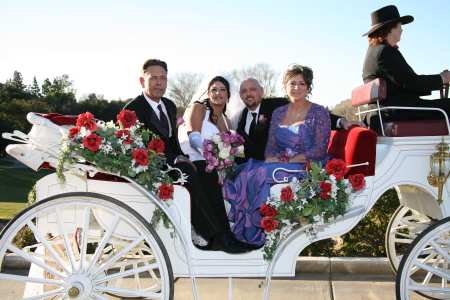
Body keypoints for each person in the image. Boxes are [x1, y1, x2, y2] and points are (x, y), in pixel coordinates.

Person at [123, 59, 251, 253]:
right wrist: (177, 159)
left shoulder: (168, 105)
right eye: (153, 78)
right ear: (143, 81)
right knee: (187, 171)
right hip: (150, 165)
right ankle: (215, 235)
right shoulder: (133, 110)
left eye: (163, 78)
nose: (159, 83)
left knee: (207, 173)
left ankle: (225, 232)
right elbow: (137, 148)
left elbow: (172, 142)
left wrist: (185, 157)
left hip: (174, 159)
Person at [223, 65, 332, 247]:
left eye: (301, 83)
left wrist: (288, 160)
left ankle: (258, 228)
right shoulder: (279, 112)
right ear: (285, 87)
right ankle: (243, 228)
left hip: (307, 164)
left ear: (308, 87)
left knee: (263, 172)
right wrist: (270, 157)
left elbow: (320, 149)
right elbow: (271, 145)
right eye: (292, 83)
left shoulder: (319, 112)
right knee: (246, 171)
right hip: (281, 163)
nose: (296, 88)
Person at [235, 78, 365, 165]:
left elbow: (310, 114)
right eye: (244, 91)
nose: (248, 94)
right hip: (254, 165)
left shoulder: (277, 105)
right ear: (240, 95)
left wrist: (341, 122)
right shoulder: (240, 117)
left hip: (278, 164)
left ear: (261, 91)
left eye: (252, 89)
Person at [362, 5, 450, 130]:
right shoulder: (385, 52)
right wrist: (441, 79)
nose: (401, 30)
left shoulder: (374, 51)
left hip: (386, 110)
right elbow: (410, 82)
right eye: (399, 26)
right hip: (397, 110)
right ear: (390, 29)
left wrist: (440, 80)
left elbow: (402, 83)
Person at [178, 75, 244, 162]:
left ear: (228, 94)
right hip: (196, 159)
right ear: (208, 94)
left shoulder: (228, 122)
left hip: (220, 165)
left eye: (222, 89)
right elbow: (193, 140)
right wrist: (211, 155)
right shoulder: (199, 108)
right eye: (214, 89)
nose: (218, 93)